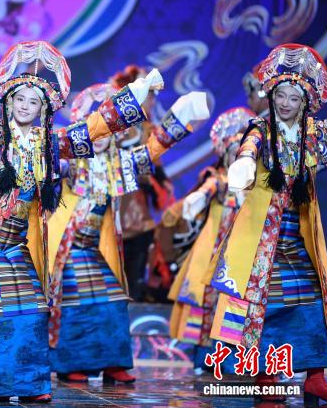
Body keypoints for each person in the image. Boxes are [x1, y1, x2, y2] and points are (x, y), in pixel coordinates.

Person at [0, 41, 166, 402]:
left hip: (19, 245)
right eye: (20, 99)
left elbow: (92, 128)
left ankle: (30, 383)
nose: (25, 106)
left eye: (33, 102)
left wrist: (138, 92)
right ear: (9, 102)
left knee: (34, 310)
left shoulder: (48, 145)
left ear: (44, 109)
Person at [46, 82, 209, 384]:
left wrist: (181, 115)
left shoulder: (117, 164)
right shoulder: (71, 162)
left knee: (113, 301)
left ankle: (113, 363)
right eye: (95, 132)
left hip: (96, 247)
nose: (100, 139)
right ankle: (71, 363)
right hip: (68, 248)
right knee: (77, 303)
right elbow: (50, 165)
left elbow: (152, 149)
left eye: (108, 133)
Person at [206, 44, 327, 403]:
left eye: (294, 97)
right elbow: (249, 147)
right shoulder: (261, 128)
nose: (286, 103)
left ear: (305, 102)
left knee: (313, 302)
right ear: (271, 95)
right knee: (266, 306)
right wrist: (245, 163)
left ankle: (315, 376)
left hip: (299, 235)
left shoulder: (311, 133)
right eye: (280, 95)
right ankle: (266, 376)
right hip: (263, 239)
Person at [167, 107, 255, 370]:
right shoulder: (218, 180)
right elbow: (207, 190)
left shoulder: (254, 188)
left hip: (241, 256)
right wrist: (198, 198)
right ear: (225, 155)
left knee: (235, 306)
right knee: (206, 302)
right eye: (233, 153)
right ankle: (204, 358)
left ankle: (231, 361)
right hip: (213, 254)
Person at [112, 66, 175, 301]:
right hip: (114, 207)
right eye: (148, 94)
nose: (151, 100)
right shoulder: (113, 126)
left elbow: (154, 164)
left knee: (136, 277)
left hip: (139, 214)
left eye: (152, 95)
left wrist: (159, 182)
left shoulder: (148, 129)